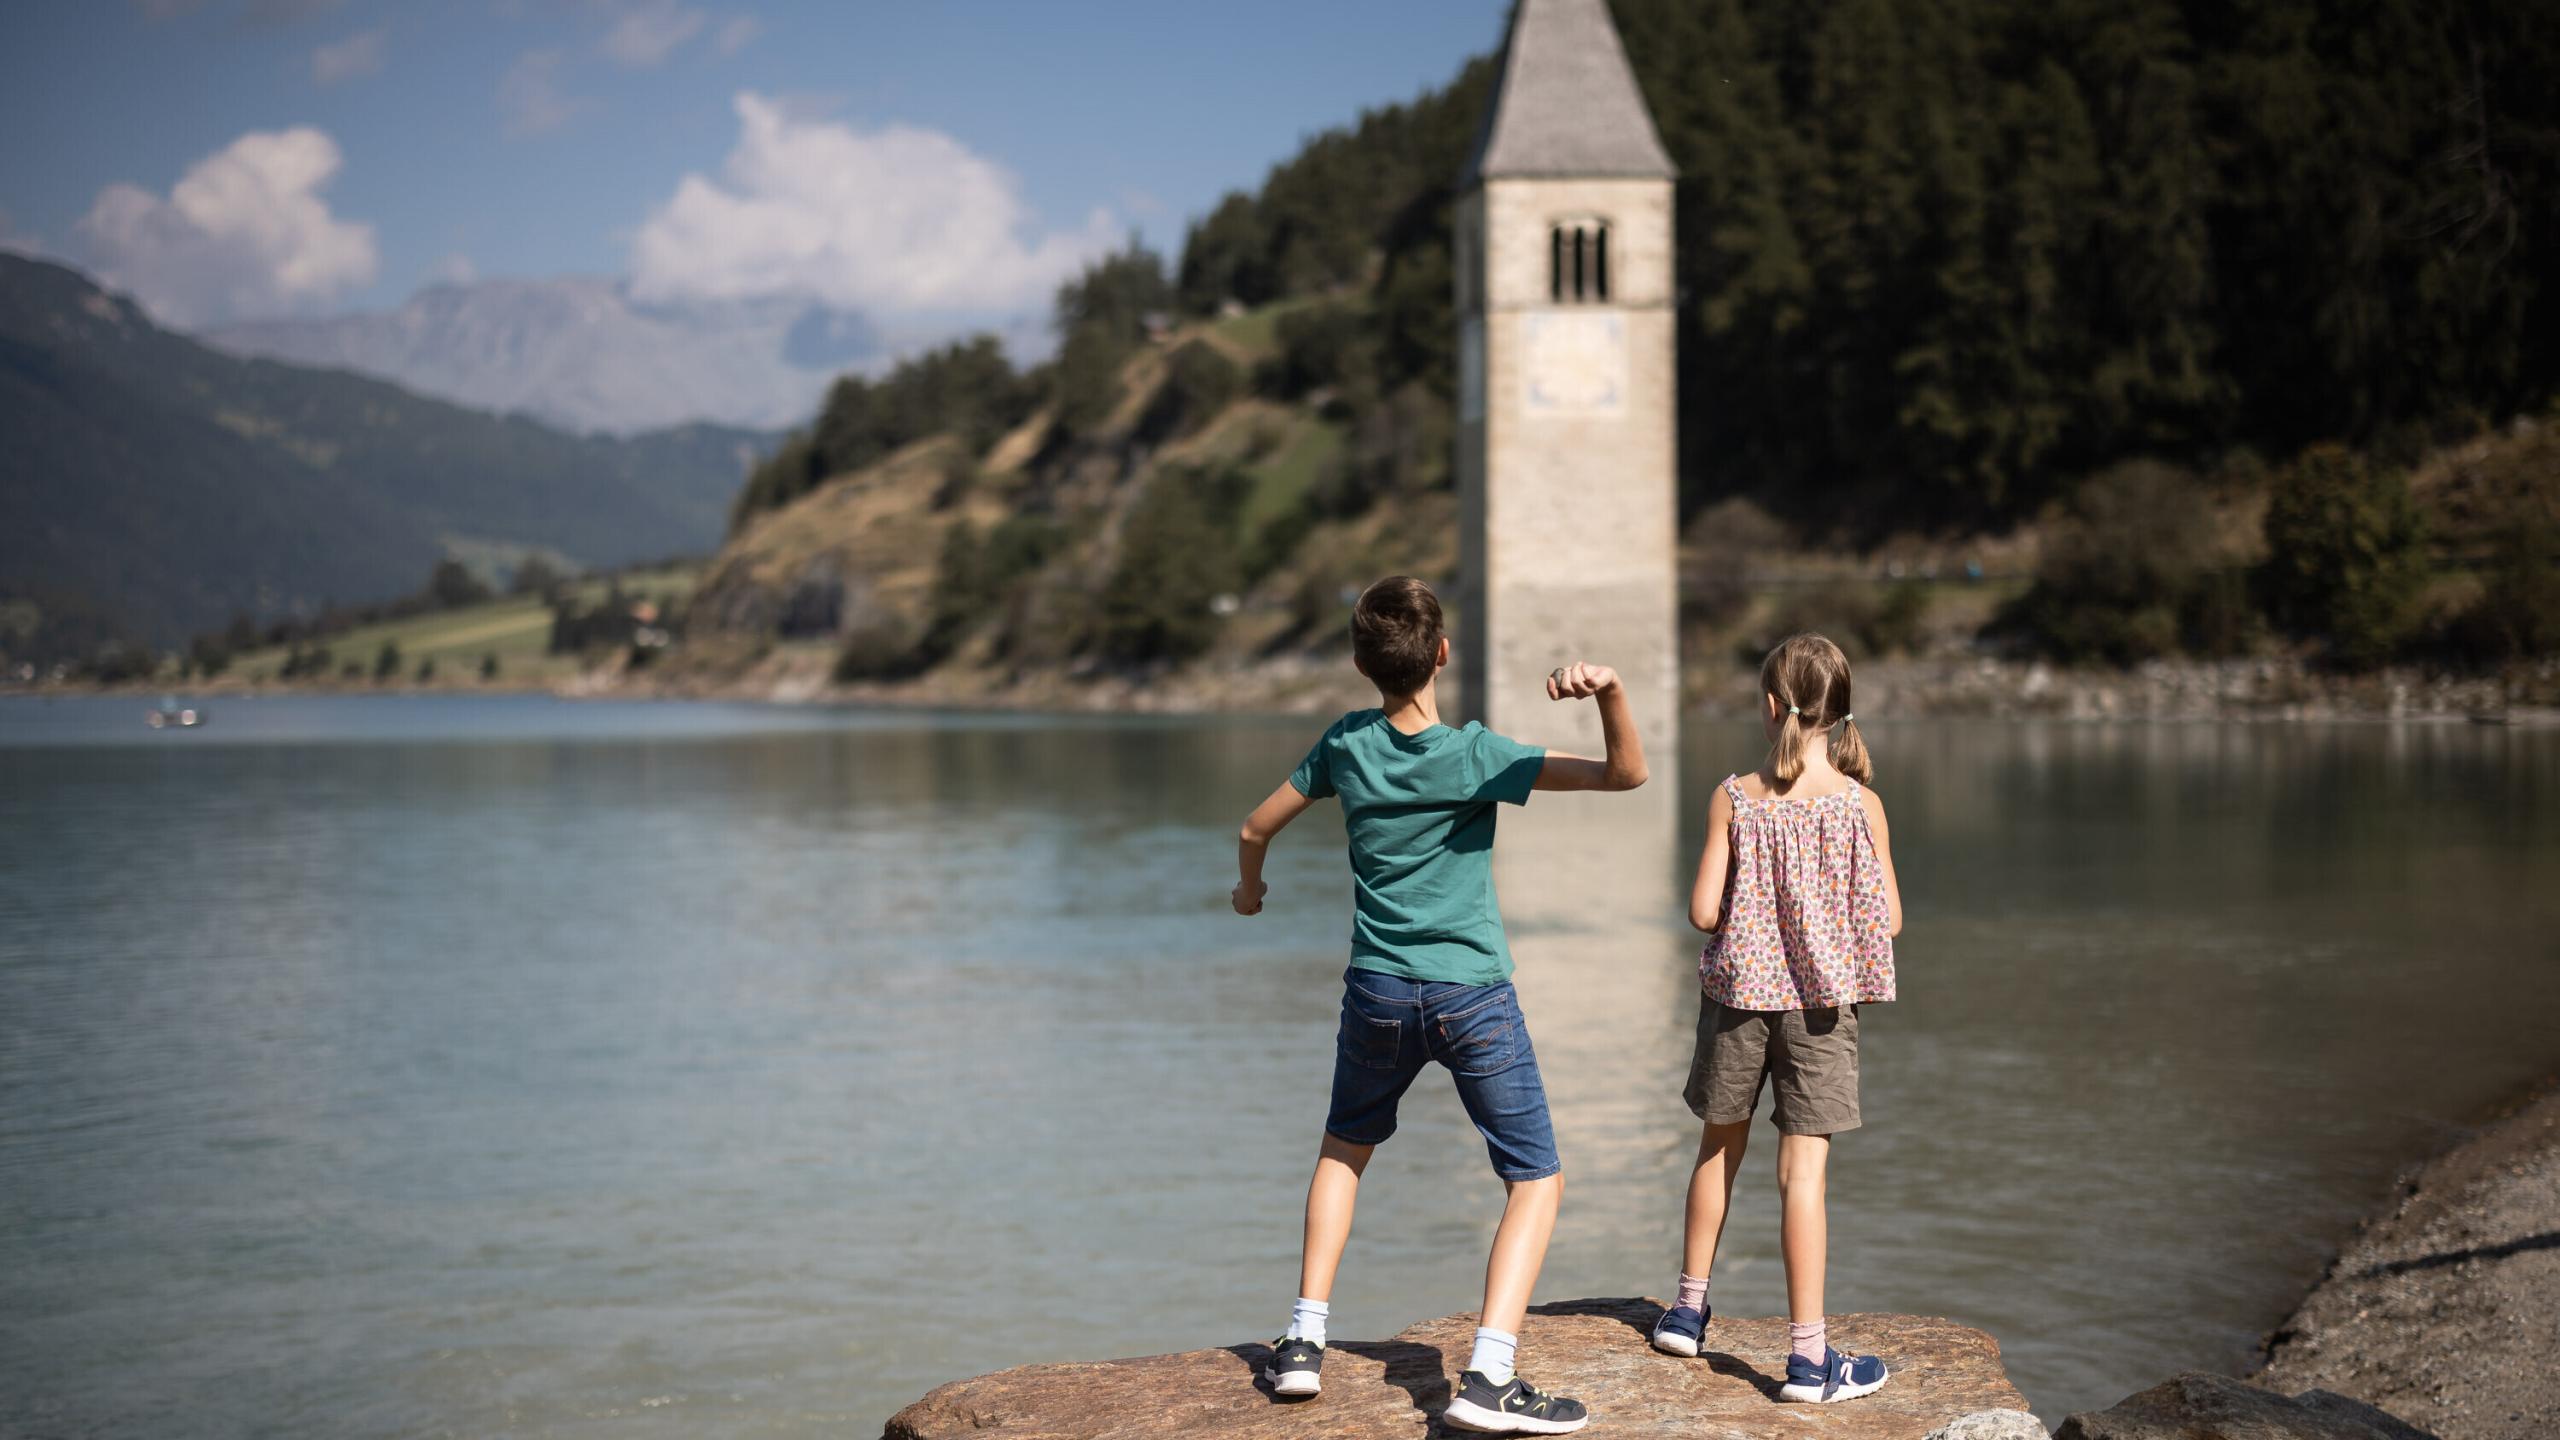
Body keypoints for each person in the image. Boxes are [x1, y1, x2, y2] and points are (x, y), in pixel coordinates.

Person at [1233, 575, 1647, 1435]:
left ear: (1361, 664)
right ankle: (1490, 1376)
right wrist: (1609, 690)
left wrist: (1250, 890)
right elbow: (1624, 774)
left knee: (1344, 1149)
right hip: (1471, 994)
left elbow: (1254, 827)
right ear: (1444, 655)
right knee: (1535, 1178)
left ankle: (1303, 1343)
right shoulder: (1475, 755)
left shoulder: (1346, 744)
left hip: (1378, 990)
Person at [1649, 633, 1902, 1404]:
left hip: (1737, 1002)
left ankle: (1686, 1311)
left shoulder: (1733, 798)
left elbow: (1702, 912)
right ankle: (1808, 1359)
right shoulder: (1861, 806)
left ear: (1769, 706)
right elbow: (1888, 919)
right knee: (1803, 1177)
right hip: (1820, 1012)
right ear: (1842, 711)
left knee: (1718, 1148)